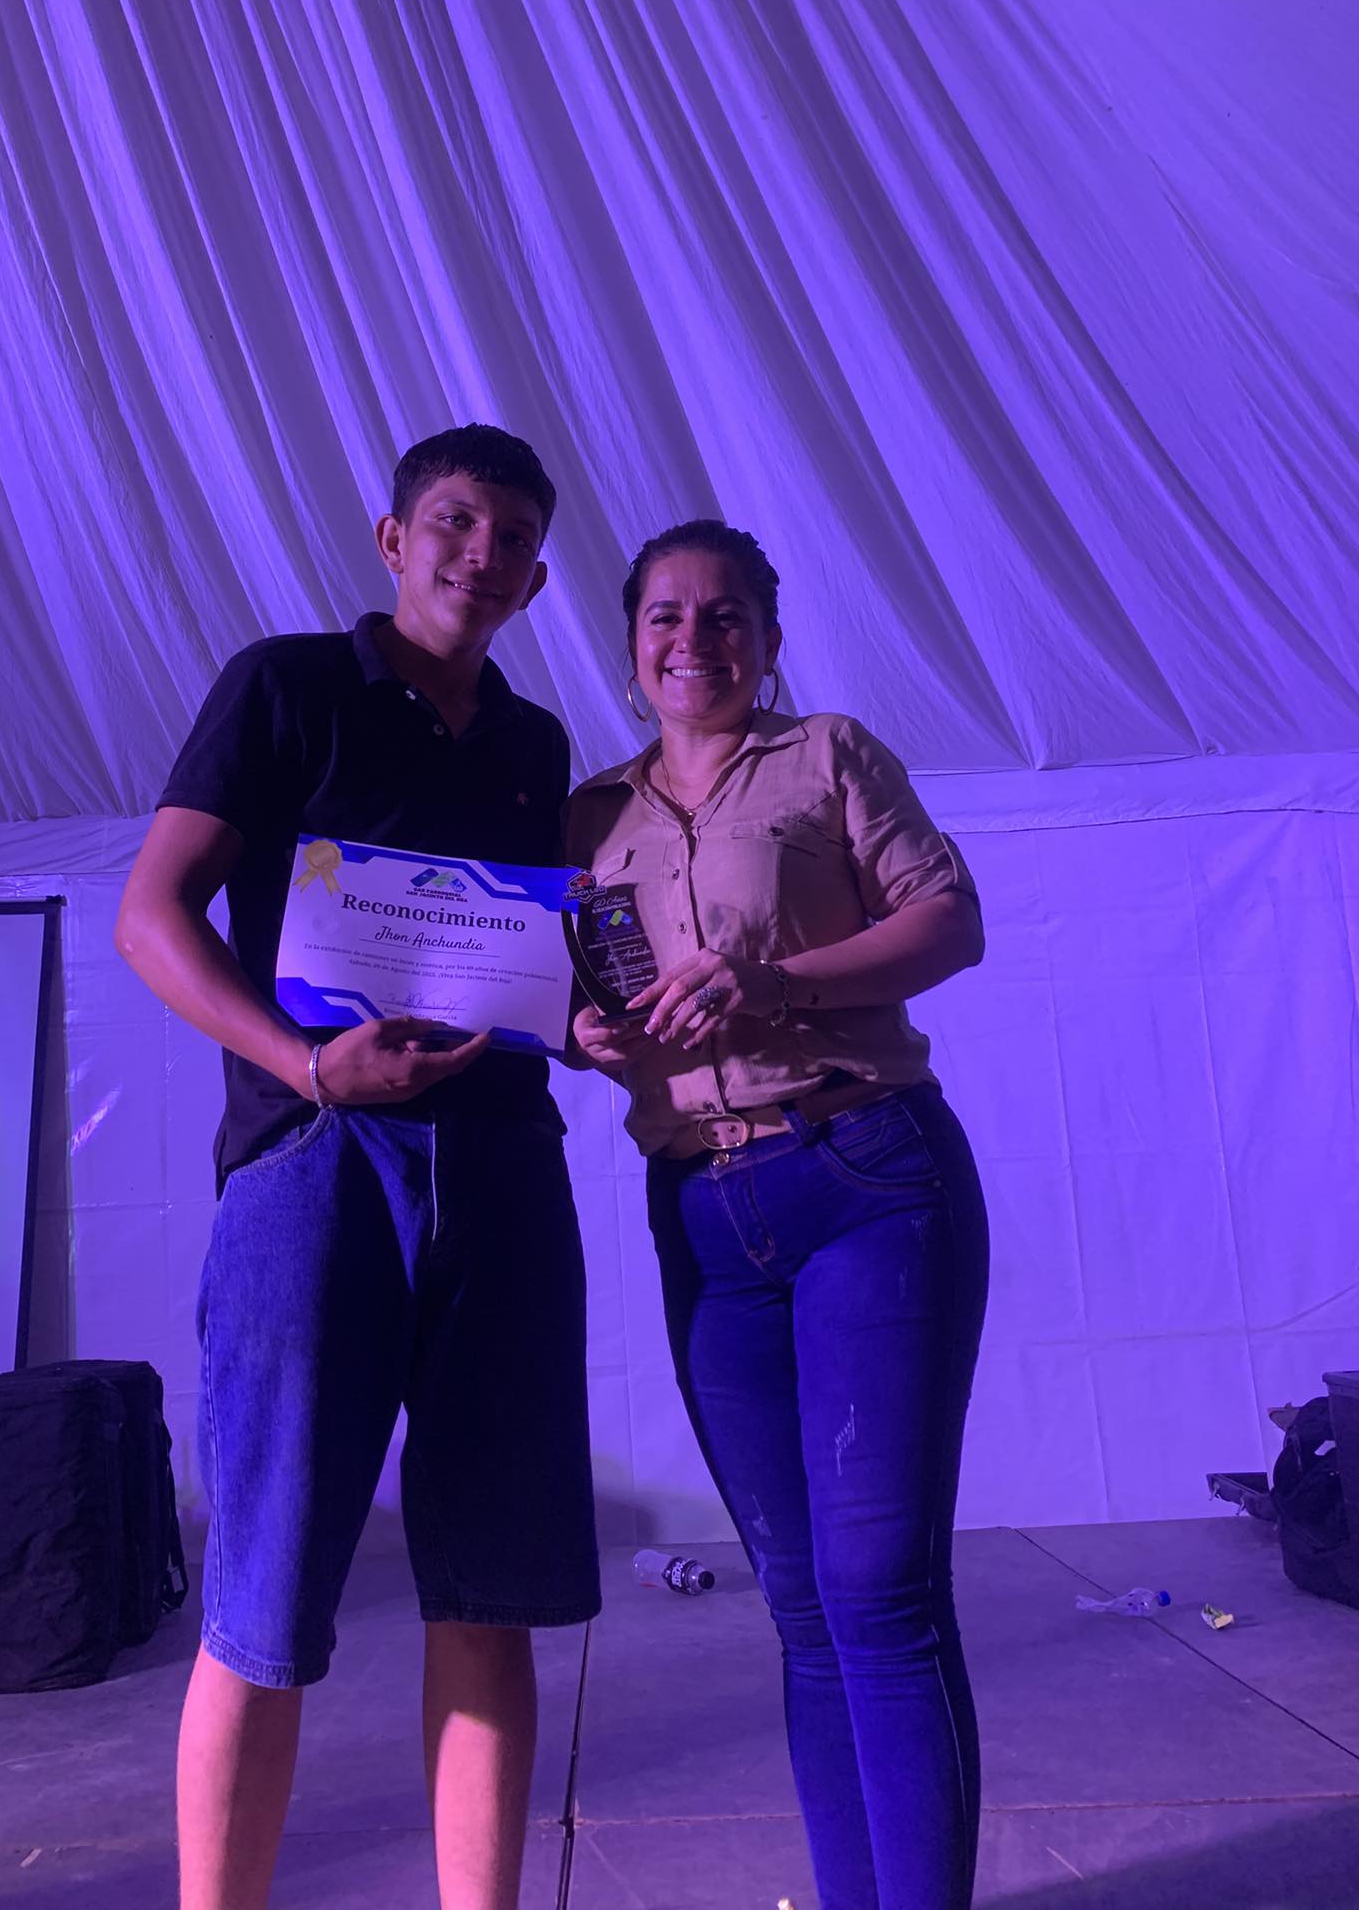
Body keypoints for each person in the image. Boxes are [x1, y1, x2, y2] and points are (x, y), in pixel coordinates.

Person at [115, 425, 600, 1910]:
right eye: (454, 521)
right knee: (262, 1596)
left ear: (536, 578)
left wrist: (586, 1020)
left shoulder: (535, 747)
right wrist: (311, 1066)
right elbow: (151, 915)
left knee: (493, 1593)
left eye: (514, 537)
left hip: (503, 1168)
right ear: (394, 540)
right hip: (314, 1157)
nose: (482, 553)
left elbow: (534, 959)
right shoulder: (286, 686)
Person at [564, 519, 989, 1910]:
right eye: (667, 617)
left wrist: (780, 983)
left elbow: (950, 922)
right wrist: (579, 1034)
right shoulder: (585, 821)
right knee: (802, 1610)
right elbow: (573, 1003)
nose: (695, 638)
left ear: (768, 636)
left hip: (863, 1173)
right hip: (699, 1210)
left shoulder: (828, 757)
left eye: (726, 613)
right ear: (631, 646)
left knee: (879, 1594)